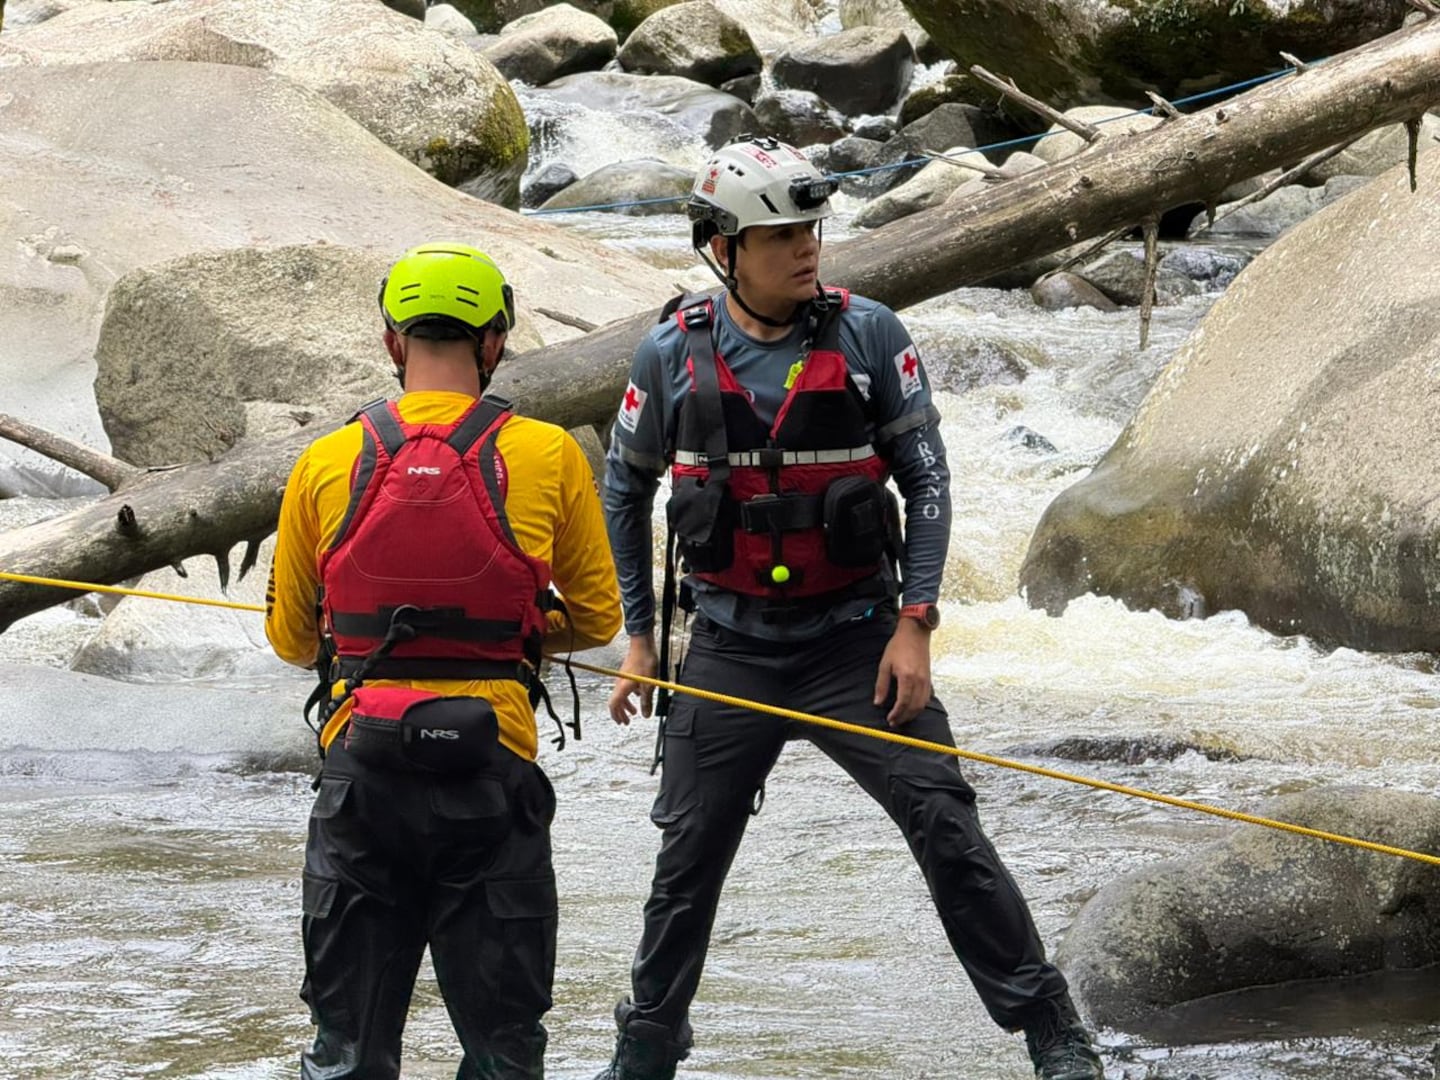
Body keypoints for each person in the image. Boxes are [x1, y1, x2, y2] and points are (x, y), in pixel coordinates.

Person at [594, 138, 1105, 1080]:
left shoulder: (872, 334)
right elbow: (623, 493)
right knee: (686, 862)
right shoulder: (669, 353)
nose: (806, 247)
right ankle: (648, 1046)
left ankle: (1053, 1031)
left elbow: (929, 480)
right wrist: (641, 637)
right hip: (730, 649)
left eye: (811, 228)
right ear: (724, 248)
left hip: (857, 643)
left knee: (946, 825)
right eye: (781, 233)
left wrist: (915, 624)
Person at [265, 242, 623, 1080]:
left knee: (347, 1052)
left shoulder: (325, 460)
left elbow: (290, 640)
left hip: (362, 779)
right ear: (493, 343)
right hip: (492, 780)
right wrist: (511, 631)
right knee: (502, 1055)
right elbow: (601, 616)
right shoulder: (550, 452)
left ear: (394, 344)